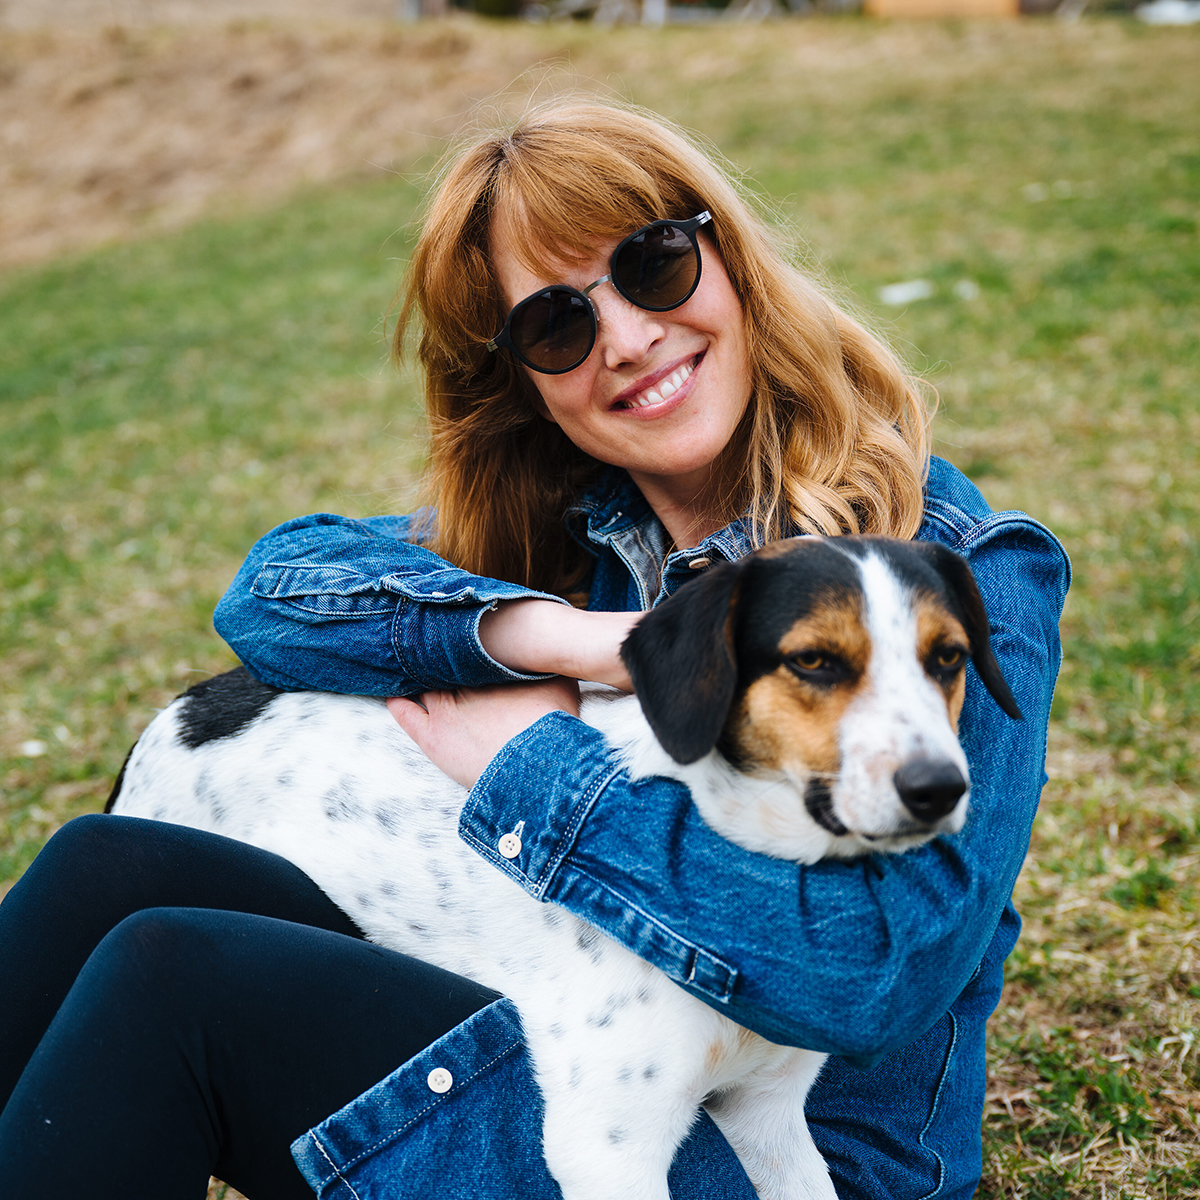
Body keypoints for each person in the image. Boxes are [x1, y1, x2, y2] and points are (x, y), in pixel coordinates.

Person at [0, 100, 1068, 1200]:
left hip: (778, 1164)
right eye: (558, 325)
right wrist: (593, 641)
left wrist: (535, 771)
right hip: (563, 1043)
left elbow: (870, 978)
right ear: (528, 382)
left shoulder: (966, 574)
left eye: (655, 263)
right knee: (107, 867)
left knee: (170, 979)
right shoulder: (587, 542)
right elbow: (273, 592)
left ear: (731, 260)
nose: (627, 337)